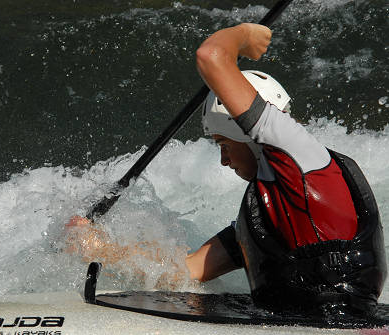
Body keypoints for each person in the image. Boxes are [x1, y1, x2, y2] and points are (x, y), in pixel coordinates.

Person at [67, 22, 386, 316]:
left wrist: (245, 35)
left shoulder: (301, 157)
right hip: (303, 319)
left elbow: (211, 56)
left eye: (223, 144)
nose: (223, 160)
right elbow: (184, 270)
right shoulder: (269, 212)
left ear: (246, 133)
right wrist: (99, 248)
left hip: (340, 320)